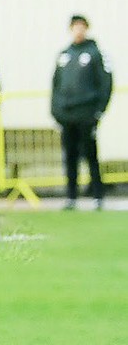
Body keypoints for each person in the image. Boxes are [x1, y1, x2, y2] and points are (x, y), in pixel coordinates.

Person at [51, 15, 113, 208]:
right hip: (67, 115)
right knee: (69, 156)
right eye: (75, 27)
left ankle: (97, 195)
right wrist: (56, 111)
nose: (78, 31)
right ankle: (71, 196)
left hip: (87, 113)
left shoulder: (95, 53)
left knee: (90, 154)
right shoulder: (64, 54)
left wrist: (99, 110)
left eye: (81, 27)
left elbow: (106, 83)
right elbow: (56, 84)